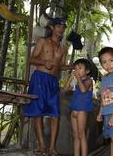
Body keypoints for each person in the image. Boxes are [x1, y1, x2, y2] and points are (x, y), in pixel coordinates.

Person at [23, 17, 71, 156]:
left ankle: (52, 148)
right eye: (58, 26)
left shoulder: (63, 48)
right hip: (39, 79)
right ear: (52, 28)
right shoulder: (42, 42)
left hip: (53, 82)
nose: (61, 29)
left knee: (55, 114)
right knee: (38, 113)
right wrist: (44, 62)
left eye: (63, 27)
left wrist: (71, 66)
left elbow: (60, 66)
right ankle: (42, 146)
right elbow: (31, 59)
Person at [63, 58, 94, 156]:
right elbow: (65, 90)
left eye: (80, 68)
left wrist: (78, 78)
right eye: (75, 68)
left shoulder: (89, 80)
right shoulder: (76, 80)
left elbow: (83, 90)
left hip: (82, 111)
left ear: (87, 71)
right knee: (75, 136)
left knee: (82, 135)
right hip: (74, 110)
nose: (77, 70)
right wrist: (71, 78)